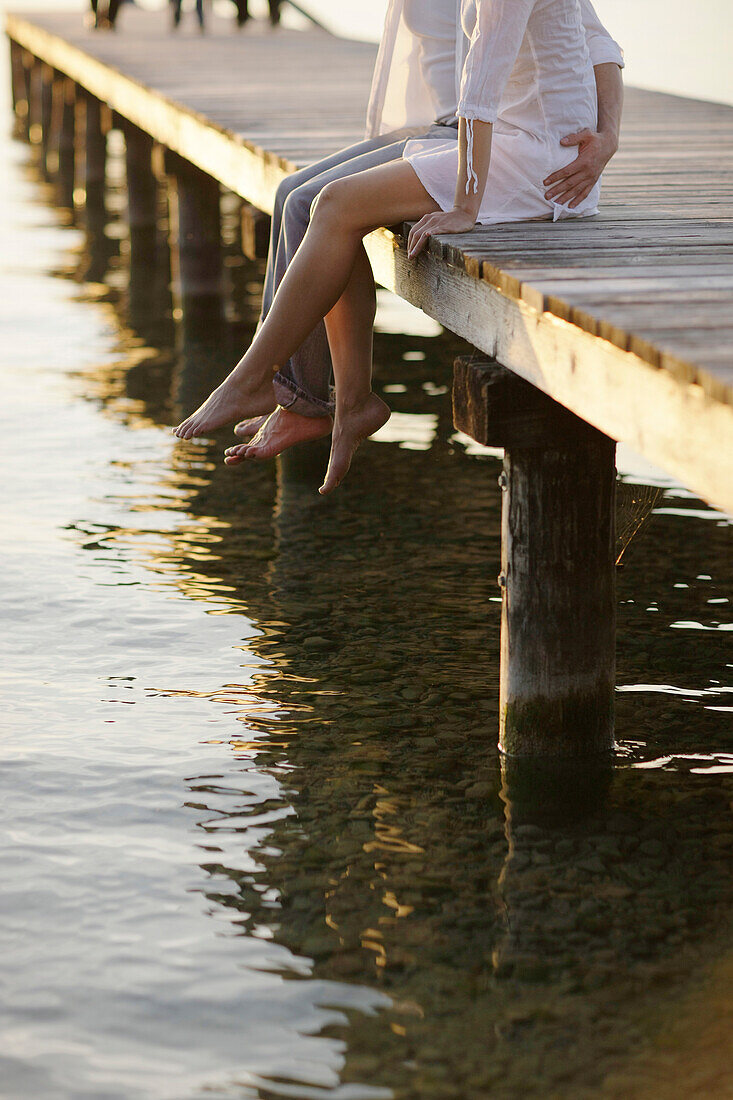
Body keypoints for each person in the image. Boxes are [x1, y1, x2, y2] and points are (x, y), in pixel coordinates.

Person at [173, 0, 624, 494]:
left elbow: (481, 92)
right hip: (509, 144)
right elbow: (515, 72)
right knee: (331, 205)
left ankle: (259, 379)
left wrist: (466, 205)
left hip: (535, 163)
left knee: (335, 205)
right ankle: (339, 401)